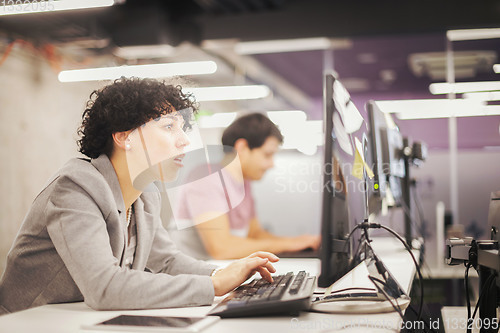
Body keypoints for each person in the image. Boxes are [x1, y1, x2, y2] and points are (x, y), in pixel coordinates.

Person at [0, 78, 278, 315]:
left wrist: (224, 274)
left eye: (182, 127)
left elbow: (166, 261)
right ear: (124, 137)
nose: (184, 140)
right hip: (23, 322)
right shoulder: (74, 189)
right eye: (169, 127)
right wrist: (213, 286)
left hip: (72, 320)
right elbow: (104, 288)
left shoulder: (145, 194)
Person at [170, 113, 320, 260]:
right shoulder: (205, 177)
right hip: (190, 278)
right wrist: (288, 245)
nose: (271, 164)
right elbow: (222, 249)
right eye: (267, 155)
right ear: (242, 148)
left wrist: (295, 242)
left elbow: (255, 234)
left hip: (219, 273)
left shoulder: (244, 183)